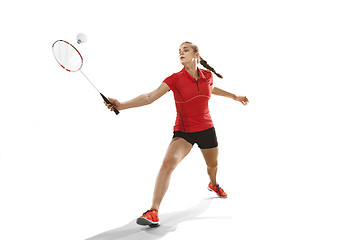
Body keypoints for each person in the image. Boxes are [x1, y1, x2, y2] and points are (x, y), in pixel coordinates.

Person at [105, 41, 249, 227]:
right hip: (184, 132)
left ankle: (213, 183)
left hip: (206, 129)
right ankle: (153, 211)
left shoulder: (207, 76)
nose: (181, 53)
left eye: (185, 50)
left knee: (212, 165)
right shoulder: (174, 79)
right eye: (179, 51)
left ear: (196, 54)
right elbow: (150, 97)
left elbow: (211, 89)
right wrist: (122, 105)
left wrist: (234, 97)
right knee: (167, 163)